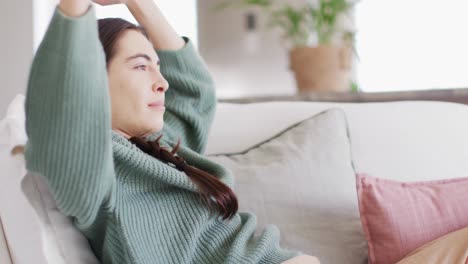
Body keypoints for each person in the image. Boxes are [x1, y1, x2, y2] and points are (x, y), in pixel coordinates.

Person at [24, 0, 320, 263]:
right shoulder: (94, 171)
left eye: (158, 66)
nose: (163, 83)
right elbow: (61, 110)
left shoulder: (159, 145)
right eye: (141, 67)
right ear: (92, 81)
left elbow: (195, 93)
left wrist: (138, 3)